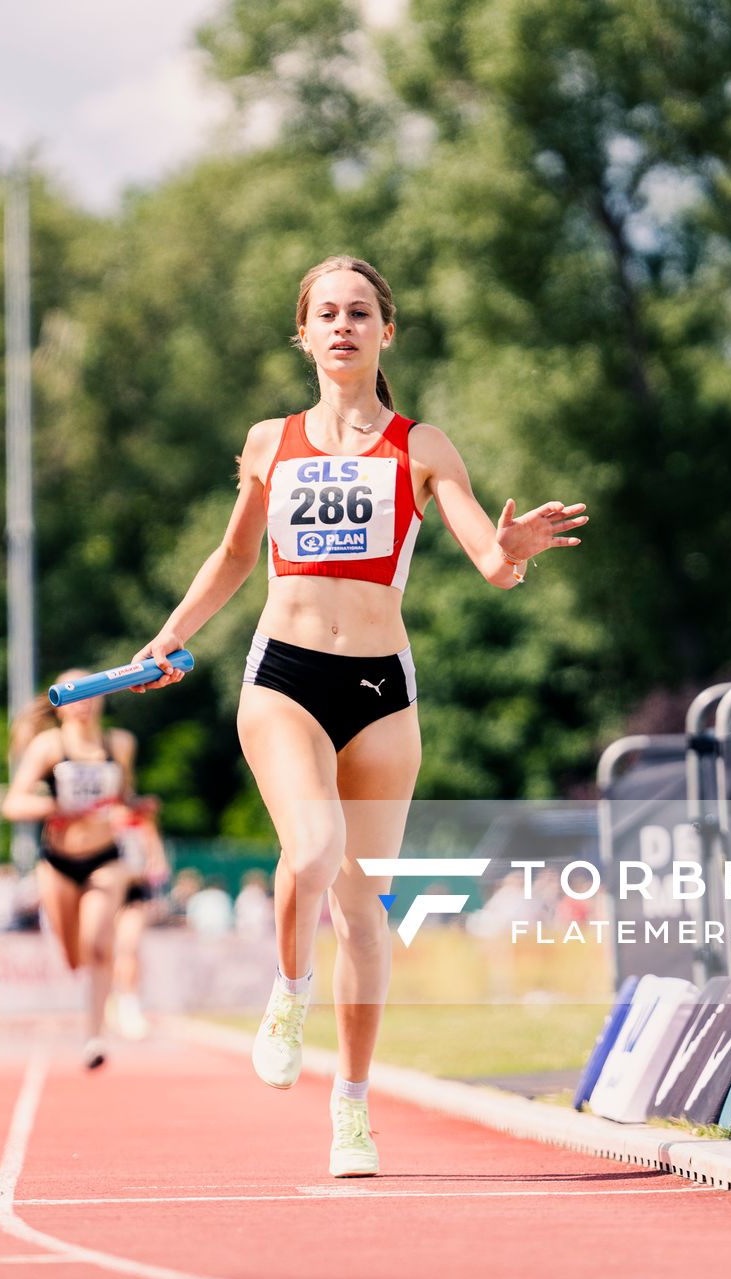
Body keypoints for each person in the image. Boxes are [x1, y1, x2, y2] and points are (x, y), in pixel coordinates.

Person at [132, 255, 586, 1176]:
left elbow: (489, 563)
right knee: (310, 850)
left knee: (365, 910)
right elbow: (230, 558)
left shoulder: (423, 447)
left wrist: (513, 548)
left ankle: (351, 1109)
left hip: (382, 692)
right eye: (327, 313)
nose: (343, 326)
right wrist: (166, 640)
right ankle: (290, 992)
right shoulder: (270, 442)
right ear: (303, 334)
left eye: (361, 313)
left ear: (387, 332)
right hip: (284, 677)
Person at [0, 671, 139, 1071]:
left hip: (104, 857)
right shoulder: (49, 746)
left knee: (97, 942)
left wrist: (136, 810)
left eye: (93, 691)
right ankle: (91, 998)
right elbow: (13, 804)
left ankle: (94, 1036)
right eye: (76, 693)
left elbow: (124, 799)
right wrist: (54, 808)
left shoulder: (120, 744)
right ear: (61, 703)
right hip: (58, 862)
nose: (86, 700)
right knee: (74, 955)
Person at [109, 799, 168, 1040]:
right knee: (114, 951)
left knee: (129, 947)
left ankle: (130, 1004)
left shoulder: (143, 825)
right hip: (109, 890)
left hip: (134, 892)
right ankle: (117, 998)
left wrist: (147, 874)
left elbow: (159, 865)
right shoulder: (103, 821)